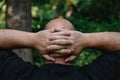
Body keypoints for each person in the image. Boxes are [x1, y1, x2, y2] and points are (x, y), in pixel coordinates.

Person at [0, 18, 120, 80]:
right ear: (76, 50)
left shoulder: (19, 75)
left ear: (42, 50)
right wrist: (86, 40)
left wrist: (32, 39)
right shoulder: (95, 76)